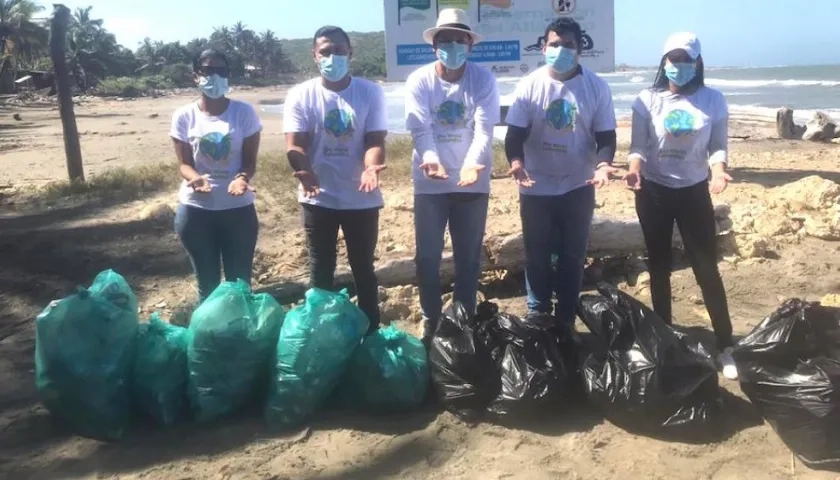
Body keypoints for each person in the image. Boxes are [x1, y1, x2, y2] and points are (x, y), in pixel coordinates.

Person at [623, 32, 738, 380]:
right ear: (664, 63)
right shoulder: (647, 100)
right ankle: (665, 337)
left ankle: (725, 345)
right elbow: (638, 146)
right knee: (658, 266)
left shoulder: (713, 100)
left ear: (697, 63)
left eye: (686, 60)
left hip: (693, 192)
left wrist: (718, 171)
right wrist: (633, 170)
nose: (679, 66)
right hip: (653, 191)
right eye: (673, 60)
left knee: (706, 268)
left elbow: (718, 146)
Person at [504, 17, 617, 331]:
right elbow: (513, 136)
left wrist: (604, 164)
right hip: (535, 185)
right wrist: (516, 163)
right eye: (555, 44)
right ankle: (538, 315)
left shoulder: (596, 87)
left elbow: (606, 138)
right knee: (537, 255)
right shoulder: (530, 85)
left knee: (572, 256)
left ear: (580, 49)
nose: (561, 50)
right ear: (543, 47)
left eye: (568, 45)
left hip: (579, 185)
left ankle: (566, 318)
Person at [283, 25, 388, 334]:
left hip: (361, 197)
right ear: (315, 55)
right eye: (326, 51)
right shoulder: (301, 95)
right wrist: (303, 169)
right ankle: (321, 334)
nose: (333, 57)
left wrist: (371, 168)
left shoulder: (369, 92)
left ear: (350, 53)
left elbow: (375, 140)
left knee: (363, 269)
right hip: (318, 196)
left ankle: (370, 332)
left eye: (339, 51)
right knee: (320, 269)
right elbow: (295, 144)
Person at [405, 8, 500, 344]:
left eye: (460, 40)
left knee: (468, 256)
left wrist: (474, 164)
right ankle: (431, 318)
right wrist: (431, 160)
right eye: (446, 40)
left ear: (470, 45)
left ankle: (463, 318)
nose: (453, 46)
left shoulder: (483, 80)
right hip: (430, 185)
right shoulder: (419, 81)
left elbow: (484, 129)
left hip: (473, 183)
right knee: (428, 256)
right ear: (435, 45)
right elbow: (420, 126)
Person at [171, 49, 262, 303]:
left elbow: (250, 162)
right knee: (207, 287)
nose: (215, 76)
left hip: (238, 213)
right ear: (195, 76)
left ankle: (240, 339)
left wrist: (242, 178)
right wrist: (196, 179)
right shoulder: (184, 116)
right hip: (195, 213)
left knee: (240, 286)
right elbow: (184, 165)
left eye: (221, 71)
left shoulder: (244, 113)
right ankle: (210, 340)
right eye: (208, 70)